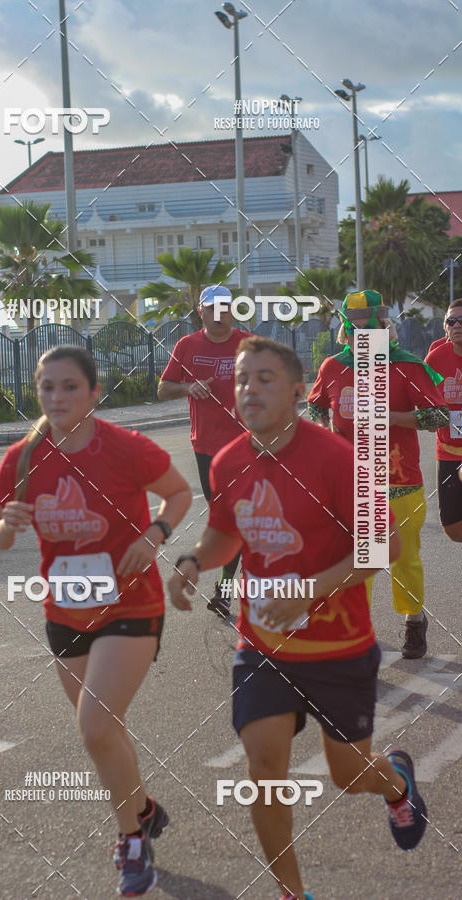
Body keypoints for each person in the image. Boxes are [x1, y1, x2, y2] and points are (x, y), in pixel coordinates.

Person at [168, 336, 428, 900]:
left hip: (339, 648)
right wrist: (193, 560)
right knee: (263, 772)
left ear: (296, 390)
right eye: (242, 379)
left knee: (349, 775)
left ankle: (396, 782)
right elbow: (225, 532)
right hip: (262, 646)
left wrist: (309, 591)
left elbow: (383, 544)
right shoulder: (229, 461)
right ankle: (292, 893)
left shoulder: (338, 459)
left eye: (264, 378)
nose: (249, 389)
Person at [0, 345, 192, 896]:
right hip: (65, 609)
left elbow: (178, 493)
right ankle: (143, 809)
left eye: (69, 386)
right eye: (47, 386)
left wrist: (155, 535)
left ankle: (131, 841)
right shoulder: (23, 457)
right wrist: (6, 524)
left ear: (94, 393)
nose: (56, 397)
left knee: (95, 726)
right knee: (107, 731)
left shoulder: (126, 447)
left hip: (131, 604)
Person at [307, 290, 449, 659]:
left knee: (404, 558)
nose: (362, 337)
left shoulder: (407, 366)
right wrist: (323, 433)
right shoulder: (333, 367)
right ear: (346, 331)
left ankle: (414, 621)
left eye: (369, 330)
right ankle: (358, 631)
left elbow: (438, 415)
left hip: (401, 481)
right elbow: (315, 404)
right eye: (354, 330)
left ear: (384, 328)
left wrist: (390, 417)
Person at [158, 284, 254, 617]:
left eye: (225, 307)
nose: (219, 313)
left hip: (248, 444)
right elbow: (163, 388)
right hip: (207, 448)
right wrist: (188, 387)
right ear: (201, 311)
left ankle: (229, 592)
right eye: (212, 308)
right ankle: (233, 590)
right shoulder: (187, 346)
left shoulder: (249, 344)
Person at [425, 298, 462, 541]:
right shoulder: (435, 359)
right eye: (452, 320)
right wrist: (430, 416)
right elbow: (423, 400)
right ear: (445, 327)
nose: (457, 325)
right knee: (451, 527)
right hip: (448, 451)